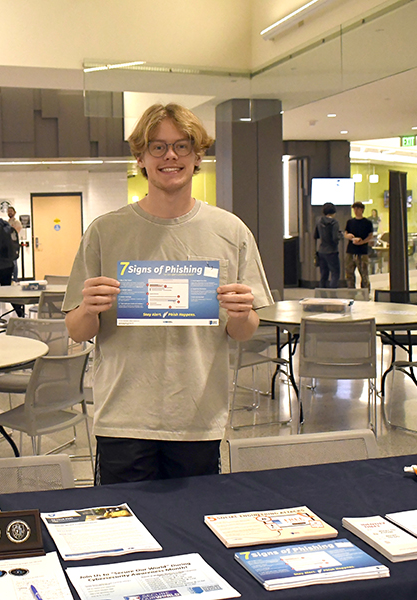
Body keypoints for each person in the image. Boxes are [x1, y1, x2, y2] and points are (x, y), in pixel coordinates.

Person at [63, 103, 273, 485]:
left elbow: (243, 332)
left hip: (198, 418)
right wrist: (89, 310)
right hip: (123, 418)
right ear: (141, 158)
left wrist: (242, 315)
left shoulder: (231, 231)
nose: (170, 156)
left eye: (182, 145)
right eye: (157, 147)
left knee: (193, 530)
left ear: (198, 156)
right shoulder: (104, 232)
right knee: (125, 538)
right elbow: (77, 331)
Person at [344, 201, 375, 289]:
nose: (355, 210)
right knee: (349, 272)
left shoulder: (367, 223)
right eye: (354, 209)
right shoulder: (350, 222)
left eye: (357, 208)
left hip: (362, 251)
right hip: (351, 250)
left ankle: (365, 291)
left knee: (364, 273)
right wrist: (349, 237)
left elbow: (370, 235)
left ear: (362, 210)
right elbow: (346, 233)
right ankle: (351, 290)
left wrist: (363, 241)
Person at [314, 202, 342, 288]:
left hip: (321, 251)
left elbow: (316, 235)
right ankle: (332, 294)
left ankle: (322, 294)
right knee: (335, 273)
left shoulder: (319, 221)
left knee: (323, 275)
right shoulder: (334, 222)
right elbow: (335, 237)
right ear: (334, 212)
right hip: (332, 251)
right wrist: (341, 235)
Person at [6, 206, 23, 281]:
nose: (10, 212)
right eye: (8, 211)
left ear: (14, 212)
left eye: (11, 211)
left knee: (14, 261)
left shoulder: (17, 222)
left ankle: (15, 279)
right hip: (7, 244)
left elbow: (15, 232)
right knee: (8, 262)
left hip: (13, 244)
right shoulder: (7, 222)